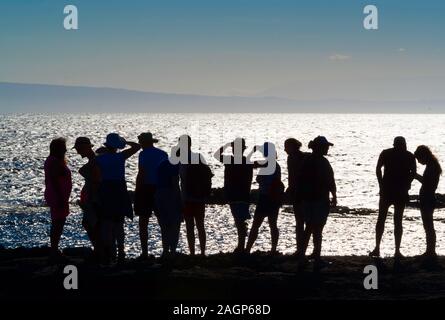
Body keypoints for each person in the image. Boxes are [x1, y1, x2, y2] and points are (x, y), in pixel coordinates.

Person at [96, 133, 140, 264]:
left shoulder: (100, 159)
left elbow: (83, 170)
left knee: (107, 223)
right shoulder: (121, 156)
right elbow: (137, 146)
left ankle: (111, 253)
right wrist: (125, 142)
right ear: (116, 146)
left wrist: (96, 182)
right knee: (119, 223)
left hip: (106, 188)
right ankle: (121, 252)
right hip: (119, 189)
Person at [370, 136, 416, 259]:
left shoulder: (387, 153)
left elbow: (378, 168)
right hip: (396, 191)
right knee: (395, 220)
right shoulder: (408, 155)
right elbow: (413, 173)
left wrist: (381, 184)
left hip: (389, 190)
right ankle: (392, 250)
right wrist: (407, 184)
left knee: (384, 219)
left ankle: (380, 248)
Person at [298, 136, 337, 269]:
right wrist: (334, 195)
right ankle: (316, 257)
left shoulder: (306, 160)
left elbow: (300, 179)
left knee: (308, 228)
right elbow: (330, 180)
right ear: (320, 147)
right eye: (326, 146)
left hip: (307, 199)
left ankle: (303, 256)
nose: (327, 148)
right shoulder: (323, 162)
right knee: (317, 229)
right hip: (319, 199)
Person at [214, 138, 256, 254]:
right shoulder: (246, 161)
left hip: (235, 194)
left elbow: (217, 154)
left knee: (239, 221)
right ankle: (241, 245)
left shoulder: (231, 160)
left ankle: (241, 246)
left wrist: (226, 145)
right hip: (241, 194)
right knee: (240, 221)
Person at [176, 135, 213, 256]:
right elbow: (208, 175)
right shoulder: (198, 156)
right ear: (190, 144)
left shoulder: (180, 159)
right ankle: (202, 252)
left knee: (189, 227)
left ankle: (192, 253)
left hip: (186, 197)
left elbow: (177, 178)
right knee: (200, 225)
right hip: (200, 197)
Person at [246, 142, 284, 255]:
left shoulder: (268, 164)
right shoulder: (274, 165)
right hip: (273, 199)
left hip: (265, 198)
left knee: (256, 224)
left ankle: (248, 248)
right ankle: (273, 249)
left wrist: (253, 151)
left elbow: (250, 164)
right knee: (272, 224)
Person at [134, 132, 168, 260]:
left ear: (143, 142)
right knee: (162, 221)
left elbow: (142, 172)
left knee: (143, 222)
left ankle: (144, 252)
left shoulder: (143, 154)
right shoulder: (162, 154)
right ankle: (166, 250)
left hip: (146, 188)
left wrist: (138, 189)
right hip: (160, 187)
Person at [73, 137, 102, 260]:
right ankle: (99, 250)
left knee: (91, 224)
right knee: (91, 224)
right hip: (91, 198)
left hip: (93, 199)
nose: (78, 152)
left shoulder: (94, 161)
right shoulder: (93, 160)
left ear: (86, 148)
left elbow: (96, 182)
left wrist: (91, 201)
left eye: (79, 149)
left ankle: (99, 251)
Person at [44, 138, 72, 261]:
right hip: (57, 196)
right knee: (58, 222)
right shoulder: (54, 161)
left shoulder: (54, 160)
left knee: (58, 222)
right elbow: (54, 181)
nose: (66, 149)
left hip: (58, 195)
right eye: (63, 147)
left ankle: (54, 249)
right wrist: (60, 197)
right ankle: (54, 251)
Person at [414, 145, 441, 259]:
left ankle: (431, 251)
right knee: (428, 225)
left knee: (428, 225)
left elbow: (427, 182)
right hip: (428, 197)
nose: (419, 162)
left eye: (419, 159)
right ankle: (430, 250)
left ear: (424, 155)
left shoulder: (432, 166)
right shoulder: (433, 165)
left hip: (428, 198)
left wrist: (415, 175)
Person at [155, 152, 182, 259]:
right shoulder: (175, 165)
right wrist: (180, 201)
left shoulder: (162, 163)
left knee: (164, 225)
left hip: (158, 194)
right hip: (169, 194)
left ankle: (165, 250)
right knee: (175, 224)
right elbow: (175, 183)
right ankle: (173, 251)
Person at [284, 138, 307, 255]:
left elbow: (296, 175)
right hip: (298, 192)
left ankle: (301, 249)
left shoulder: (298, 157)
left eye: (286, 147)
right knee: (301, 222)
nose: (284, 150)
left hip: (301, 192)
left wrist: (292, 187)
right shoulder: (294, 157)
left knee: (302, 222)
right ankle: (301, 249)